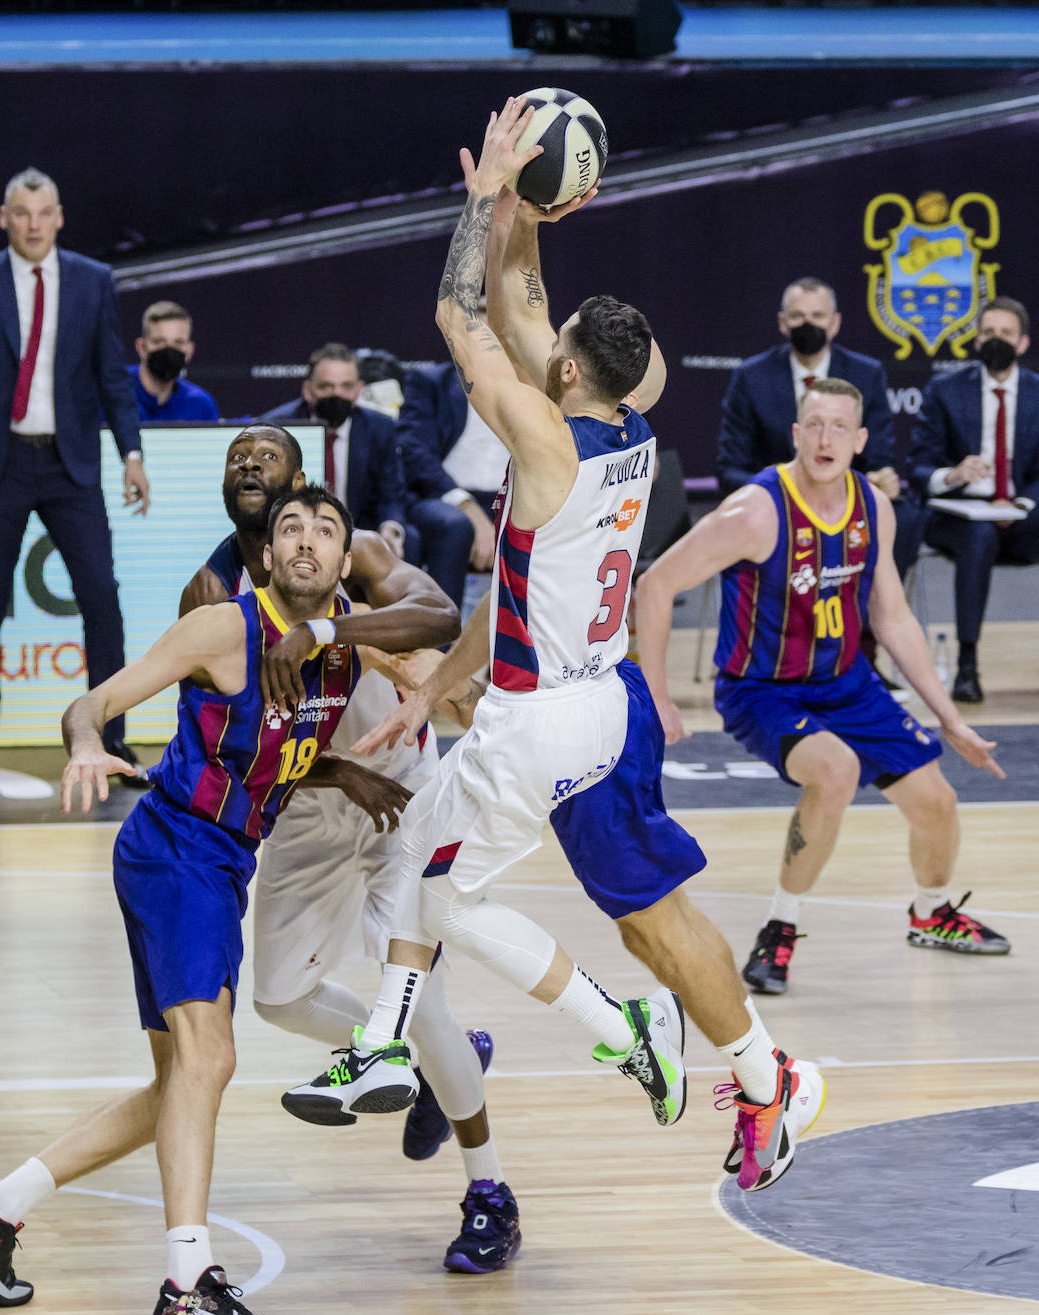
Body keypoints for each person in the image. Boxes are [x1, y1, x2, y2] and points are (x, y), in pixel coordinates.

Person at [289, 99, 824, 1195]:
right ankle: (390, 1040)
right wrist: (527, 216)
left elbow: (462, 315)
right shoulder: (637, 411)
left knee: (457, 895)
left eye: (558, 345)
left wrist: (484, 197)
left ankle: (652, 1039)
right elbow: (522, 304)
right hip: (591, 696)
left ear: (568, 372)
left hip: (540, 722)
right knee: (425, 862)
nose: (548, 340)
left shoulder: (542, 439)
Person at [0, 485, 411, 1315]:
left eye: (324, 530)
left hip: (217, 862)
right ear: (267, 554)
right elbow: (91, 705)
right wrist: (86, 744)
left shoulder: (347, 640)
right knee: (211, 1058)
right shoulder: (224, 627)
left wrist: (369, 753)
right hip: (178, 847)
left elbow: (428, 647)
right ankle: (187, 1290)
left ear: (347, 561)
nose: (304, 541)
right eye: (289, 529)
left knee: (176, 1085)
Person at [179, 424, 517, 1273]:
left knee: (424, 1003)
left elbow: (442, 613)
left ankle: (490, 1193)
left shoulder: (352, 549)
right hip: (308, 803)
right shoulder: (211, 593)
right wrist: (338, 774)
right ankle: (418, 1061)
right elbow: (228, 737)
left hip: (404, 793)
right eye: (236, 457)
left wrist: (334, 632)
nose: (249, 464)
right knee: (279, 998)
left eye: (266, 456)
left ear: (302, 480)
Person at [638, 377, 1010, 996]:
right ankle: (780, 928)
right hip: (762, 689)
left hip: (846, 683)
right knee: (836, 771)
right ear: (795, 434)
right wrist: (658, 695)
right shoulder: (756, 511)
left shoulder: (874, 506)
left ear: (860, 440)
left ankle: (932, 913)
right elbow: (655, 586)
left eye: (839, 427)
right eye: (813, 425)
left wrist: (951, 719)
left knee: (937, 802)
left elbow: (892, 616)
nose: (824, 439)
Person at [0, 166, 146, 787]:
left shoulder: (93, 280)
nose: (34, 224)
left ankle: (110, 740)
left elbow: (113, 375)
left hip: (72, 464)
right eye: (22, 213)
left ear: (60, 217)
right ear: (4, 218)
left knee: (101, 597)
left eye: (44, 213)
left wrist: (131, 453)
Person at [909, 297, 1039, 703]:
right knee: (978, 535)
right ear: (976, 340)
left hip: (1023, 514)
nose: (995, 340)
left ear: (1023, 343)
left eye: (1005, 334)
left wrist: (1020, 506)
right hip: (959, 516)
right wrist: (952, 475)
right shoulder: (945, 390)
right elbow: (918, 468)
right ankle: (967, 665)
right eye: (988, 333)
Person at [716, 277, 899, 499]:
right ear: (783, 322)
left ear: (835, 323)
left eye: (817, 316)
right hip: (773, 503)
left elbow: (878, 460)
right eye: (797, 316)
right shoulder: (752, 377)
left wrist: (879, 479)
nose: (807, 325)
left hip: (845, 502)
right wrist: (779, 491)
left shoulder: (867, 375)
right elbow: (731, 469)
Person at [262, 343, 408, 555]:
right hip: (296, 533)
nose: (336, 394)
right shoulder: (278, 428)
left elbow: (391, 493)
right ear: (308, 390)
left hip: (359, 531)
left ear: (358, 390)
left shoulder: (379, 428)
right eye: (326, 387)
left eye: (346, 387)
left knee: (408, 540)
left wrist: (390, 528)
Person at [396, 358, 506, 606]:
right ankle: (443, 627)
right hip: (443, 494)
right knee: (454, 525)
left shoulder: (533, 383)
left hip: (514, 497)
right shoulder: (431, 381)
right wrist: (466, 505)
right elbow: (414, 451)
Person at [129, 299, 220, 422]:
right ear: (141, 347)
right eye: (159, 342)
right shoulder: (111, 396)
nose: (168, 350)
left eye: (178, 343)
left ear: (190, 350)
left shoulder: (200, 405)